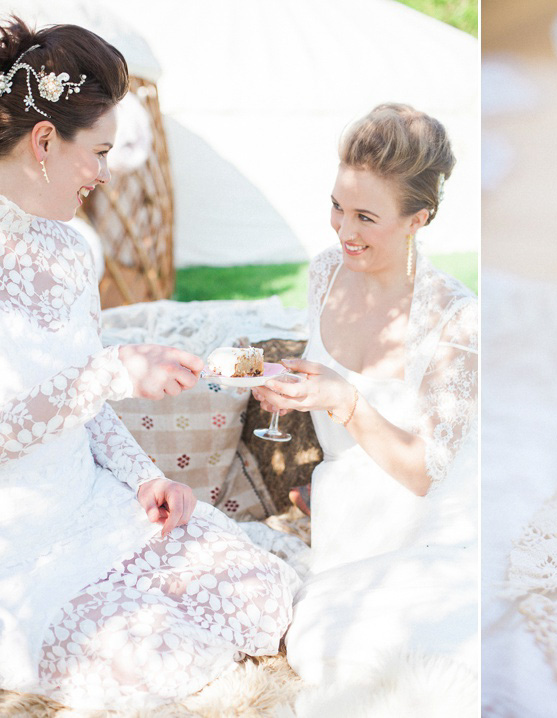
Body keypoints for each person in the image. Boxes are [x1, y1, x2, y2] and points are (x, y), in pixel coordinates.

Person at [0, 19, 299, 708]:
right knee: (167, 657)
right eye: (97, 151)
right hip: (19, 552)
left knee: (262, 598)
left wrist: (145, 481)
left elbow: (84, 402)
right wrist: (110, 371)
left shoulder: (73, 251)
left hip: (95, 508)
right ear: (44, 142)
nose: (105, 173)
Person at [252, 104, 478, 685]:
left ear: (416, 219)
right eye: (336, 206)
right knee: (323, 643)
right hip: (342, 517)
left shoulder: (456, 318)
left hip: (431, 531)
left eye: (365, 217)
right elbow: (325, 382)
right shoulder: (325, 272)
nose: (343, 231)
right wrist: (293, 390)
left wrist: (343, 401)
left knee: (389, 664)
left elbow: (427, 472)